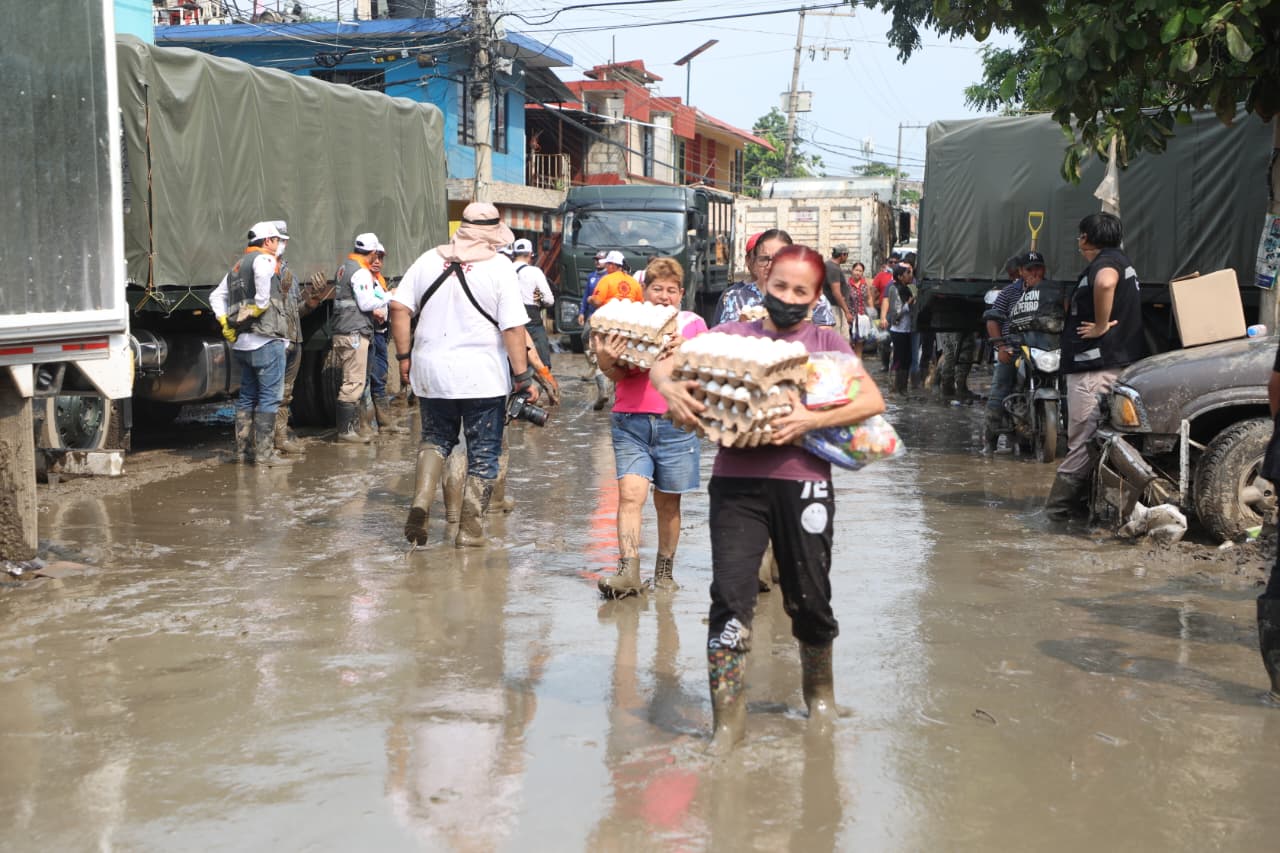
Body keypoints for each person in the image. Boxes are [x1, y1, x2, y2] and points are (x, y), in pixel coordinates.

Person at [650, 243, 886, 753]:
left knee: (809, 598)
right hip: (736, 486)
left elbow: (872, 400)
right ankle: (727, 723)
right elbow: (664, 365)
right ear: (764, 283)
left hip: (805, 483)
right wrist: (668, 391)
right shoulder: (734, 337)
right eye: (779, 286)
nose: (787, 297)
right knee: (730, 600)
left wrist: (811, 419)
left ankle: (819, 697)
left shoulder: (825, 342)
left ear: (816, 296)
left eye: (800, 290)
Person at [390, 202, 539, 548]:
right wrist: (523, 378)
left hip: (431, 371)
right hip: (482, 376)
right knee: (484, 451)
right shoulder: (501, 267)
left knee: (435, 438)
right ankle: (470, 532)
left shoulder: (428, 260)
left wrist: (403, 357)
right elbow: (513, 329)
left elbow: (398, 306)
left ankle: (421, 502)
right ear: (494, 236)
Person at [592, 257, 708, 599]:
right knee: (630, 496)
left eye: (671, 290)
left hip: (677, 425)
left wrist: (687, 351)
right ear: (645, 292)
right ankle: (628, 570)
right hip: (631, 421)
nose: (664, 296)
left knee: (668, 505)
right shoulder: (628, 322)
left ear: (681, 294)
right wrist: (605, 360)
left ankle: (664, 572)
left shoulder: (693, 324)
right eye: (657, 289)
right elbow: (617, 375)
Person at [1046, 213, 1144, 520]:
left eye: (1079, 235)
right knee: (1096, 438)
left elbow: (1104, 284)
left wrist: (1101, 324)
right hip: (1110, 363)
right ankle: (1086, 510)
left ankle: (1057, 513)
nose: (1078, 241)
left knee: (1083, 441)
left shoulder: (1105, 264)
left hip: (1093, 368)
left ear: (1086, 237)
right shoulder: (1121, 259)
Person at [210, 221, 293, 467]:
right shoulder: (264, 261)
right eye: (277, 240)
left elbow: (216, 296)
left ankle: (243, 452)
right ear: (268, 241)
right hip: (267, 339)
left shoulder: (236, 267)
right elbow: (263, 297)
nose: (279, 245)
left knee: (247, 397)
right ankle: (265, 455)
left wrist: (225, 321)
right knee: (269, 398)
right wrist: (260, 303)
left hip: (243, 343)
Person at [983, 251, 1049, 451]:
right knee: (999, 389)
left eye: (1038, 268)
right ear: (1020, 271)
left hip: (1045, 349)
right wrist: (1001, 347)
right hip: (1014, 348)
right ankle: (990, 440)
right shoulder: (1009, 292)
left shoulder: (1053, 291)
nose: (1035, 273)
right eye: (1030, 269)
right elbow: (992, 319)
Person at [331, 233, 390, 443]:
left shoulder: (345, 267)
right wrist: (389, 295)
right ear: (373, 252)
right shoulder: (361, 272)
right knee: (354, 382)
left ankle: (354, 428)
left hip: (344, 331)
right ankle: (346, 432)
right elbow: (366, 304)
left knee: (354, 380)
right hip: (354, 332)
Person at [587, 250, 642, 410]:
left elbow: (597, 301)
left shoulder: (606, 280)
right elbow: (640, 303)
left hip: (607, 325)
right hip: (629, 326)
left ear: (612, 265)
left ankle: (603, 390)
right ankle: (620, 396)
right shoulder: (633, 282)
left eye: (608, 264)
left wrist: (590, 298)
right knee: (624, 359)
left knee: (601, 354)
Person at [269, 220, 305, 456]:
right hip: (274, 338)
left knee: (286, 391)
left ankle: (280, 437)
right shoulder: (261, 269)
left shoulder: (288, 270)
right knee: (269, 392)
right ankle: (263, 442)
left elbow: (296, 308)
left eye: (284, 240)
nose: (282, 244)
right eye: (278, 239)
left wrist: (310, 302)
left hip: (294, 337)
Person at [714, 229, 793, 326]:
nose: (770, 265)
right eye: (763, 259)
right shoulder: (736, 298)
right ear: (752, 261)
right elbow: (723, 336)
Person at [511, 238, 555, 369]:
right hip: (531, 318)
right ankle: (547, 385)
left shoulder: (504, 270)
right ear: (530, 254)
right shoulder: (535, 272)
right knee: (542, 362)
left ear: (513, 254)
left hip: (509, 318)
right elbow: (549, 300)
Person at [880, 263, 916, 394]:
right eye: (907, 273)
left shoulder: (908, 288)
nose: (909, 276)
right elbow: (896, 312)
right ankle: (896, 386)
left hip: (907, 329)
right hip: (898, 330)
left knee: (907, 359)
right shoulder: (894, 289)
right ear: (900, 276)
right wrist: (909, 303)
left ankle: (903, 387)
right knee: (899, 358)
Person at [844, 261, 876, 359]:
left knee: (859, 343)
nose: (858, 273)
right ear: (852, 271)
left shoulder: (865, 284)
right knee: (848, 343)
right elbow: (843, 300)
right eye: (856, 270)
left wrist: (872, 313)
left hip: (862, 318)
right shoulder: (846, 285)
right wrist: (846, 313)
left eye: (860, 271)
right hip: (850, 318)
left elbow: (869, 298)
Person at [824, 245, 854, 338]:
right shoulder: (833, 268)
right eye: (847, 255)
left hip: (835, 307)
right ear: (842, 255)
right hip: (834, 308)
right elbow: (836, 292)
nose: (847, 257)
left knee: (843, 338)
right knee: (836, 338)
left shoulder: (831, 265)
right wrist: (847, 312)